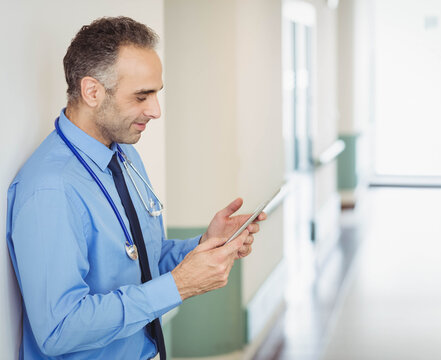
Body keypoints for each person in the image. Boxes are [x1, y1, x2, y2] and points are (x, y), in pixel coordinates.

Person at [6, 16, 265, 360]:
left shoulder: (125, 155)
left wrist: (204, 245)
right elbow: (59, 329)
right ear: (92, 91)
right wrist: (178, 286)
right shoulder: (50, 190)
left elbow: (141, 260)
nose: (155, 111)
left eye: (156, 94)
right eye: (142, 96)